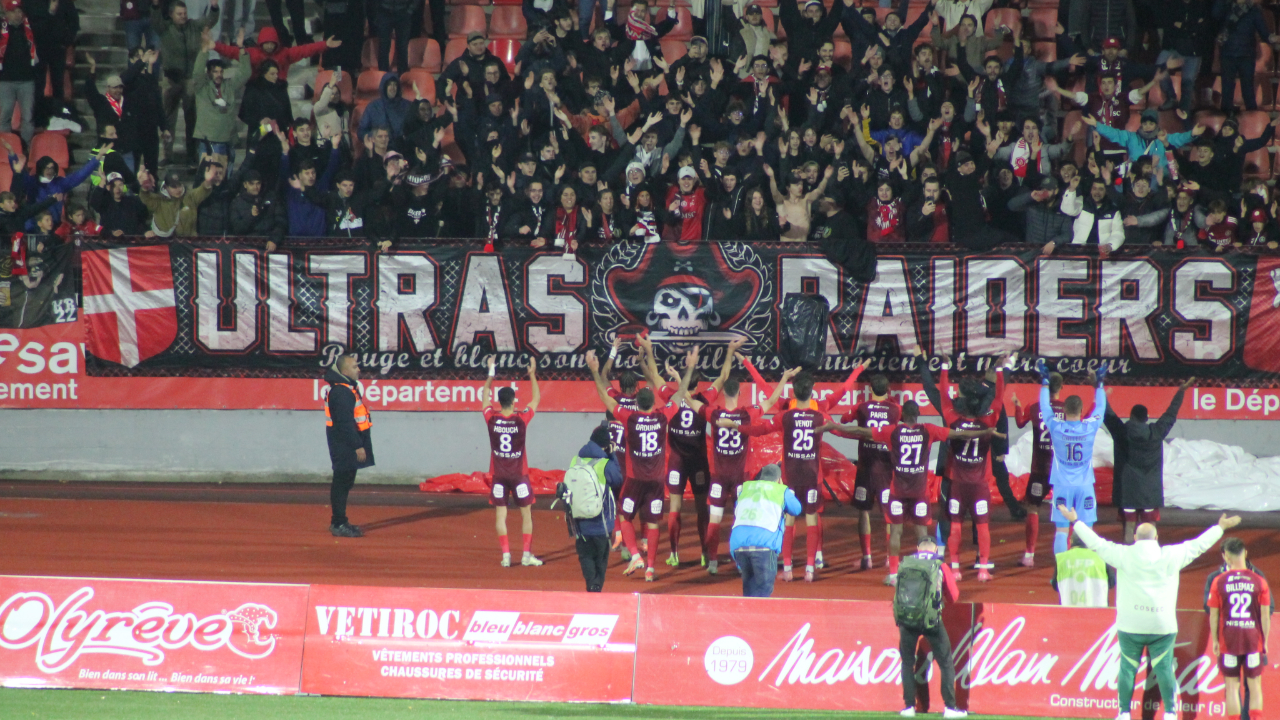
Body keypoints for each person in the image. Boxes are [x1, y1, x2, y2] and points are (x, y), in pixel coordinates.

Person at [1061, 505, 1241, 720]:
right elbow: (1198, 545)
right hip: (1161, 624)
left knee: (1127, 668)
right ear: (1157, 536)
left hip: (1131, 624)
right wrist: (1219, 527)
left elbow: (1096, 543)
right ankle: (1171, 713)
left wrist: (1076, 521)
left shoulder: (1123, 554)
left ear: (1135, 537)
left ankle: (1124, 713)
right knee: (1164, 667)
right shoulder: (1172, 555)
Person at [826, 400, 993, 586]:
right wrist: (985, 431)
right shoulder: (928, 430)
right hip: (919, 491)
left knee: (896, 531)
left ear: (902, 416)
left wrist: (834, 426)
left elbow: (861, 432)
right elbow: (959, 434)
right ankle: (927, 573)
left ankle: (893, 574)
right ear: (918, 414)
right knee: (922, 532)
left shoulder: (893, 431)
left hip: (898, 491)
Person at [720, 369, 829, 583]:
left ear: (793, 394)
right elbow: (841, 429)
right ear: (812, 392)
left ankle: (787, 568)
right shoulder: (820, 417)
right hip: (812, 476)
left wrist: (735, 426)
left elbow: (760, 430)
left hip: (790, 477)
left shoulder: (785, 416)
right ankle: (809, 568)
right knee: (811, 520)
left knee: (788, 520)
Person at [585, 338, 672, 582]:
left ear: (622, 388)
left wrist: (612, 351)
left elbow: (603, 379)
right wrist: (647, 357)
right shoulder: (640, 408)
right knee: (646, 505)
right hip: (638, 464)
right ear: (637, 389)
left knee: (620, 505)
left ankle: (623, 544)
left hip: (616, 461)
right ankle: (644, 542)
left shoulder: (616, 402)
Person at [1106, 376, 1194, 543]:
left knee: (1128, 530)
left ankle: (1128, 561)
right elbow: (1171, 414)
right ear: (1147, 418)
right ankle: (1151, 558)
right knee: (1150, 529)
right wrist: (1181, 392)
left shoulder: (1121, 432)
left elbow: (1107, 415)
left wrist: (1100, 394)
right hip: (1149, 492)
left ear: (1131, 416)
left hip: (1127, 491)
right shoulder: (1156, 433)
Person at [1037, 358, 1107, 556]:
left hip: (1062, 484)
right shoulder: (1089, 426)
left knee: (1061, 530)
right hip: (1084, 485)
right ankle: (1085, 565)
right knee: (1087, 530)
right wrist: (1099, 385)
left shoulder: (1056, 426)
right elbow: (1100, 409)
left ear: (1064, 410)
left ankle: (1062, 569)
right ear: (1081, 410)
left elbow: (1045, 407)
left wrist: (1044, 383)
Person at [480, 356, 543, 567]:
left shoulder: (491, 418)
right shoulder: (521, 419)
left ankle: (506, 556)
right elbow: (536, 399)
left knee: (501, 514)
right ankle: (526, 555)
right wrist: (532, 374)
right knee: (526, 514)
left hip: (499, 476)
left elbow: (483, 398)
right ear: (514, 401)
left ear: (499, 402)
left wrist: (490, 373)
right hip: (519, 476)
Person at [893, 536, 965, 719]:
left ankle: (909, 707)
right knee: (946, 663)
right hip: (931, 621)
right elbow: (954, 597)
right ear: (934, 550)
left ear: (918, 548)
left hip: (907, 619)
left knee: (907, 662)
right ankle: (949, 708)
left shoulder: (906, 563)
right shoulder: (940, 565)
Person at [1207, 537, 1272, 720]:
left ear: (1226, 556)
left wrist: (1215, 641)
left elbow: (1213, 615)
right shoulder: (1259, 581)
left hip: (1229, 642)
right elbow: (1265, 616)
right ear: (1245, 553)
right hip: (1253, 641)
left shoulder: (1218, 581)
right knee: (1255, 685)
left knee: (1232, 686)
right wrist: (1264, 641)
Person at [153, 0, 221, 165]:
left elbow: (209, 21)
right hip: (171, 79)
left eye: (184, 13)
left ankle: (192, 155)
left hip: (190, 78)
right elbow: (155, 20)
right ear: (171, 15)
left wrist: (213, 7)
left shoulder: (193, 26)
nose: (183, 16)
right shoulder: (165, 28)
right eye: (179, 14)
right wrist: (155, 6)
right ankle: (167, 155)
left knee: (192, 117)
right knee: (168, 119)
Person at [559, 423, 623, 592]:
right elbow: (618, 480)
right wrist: (613, 454)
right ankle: (596, 588)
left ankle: (591, 584)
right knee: (601, 559)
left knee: (585, 556)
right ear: (606, 445)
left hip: (579, 523)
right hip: (601, 523)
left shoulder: (576, 459)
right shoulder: (604, 464)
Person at [1010, 371, 1065, 567]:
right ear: (1061, 388)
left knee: (1033, 508)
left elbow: (1019, 423)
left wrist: (1017, 405)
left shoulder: (1034, 407)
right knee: (1065, 510)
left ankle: (1029, 555)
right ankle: (1064, 556)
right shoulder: (1068, 409)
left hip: (1039, 468)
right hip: (1061, 470)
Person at [729, 464, 801, 598]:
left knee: (749, 590)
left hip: (738, 546)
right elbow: (796, 509)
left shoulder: (746, 487)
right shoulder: (781, 490)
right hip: (764, 548)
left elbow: (737, 507)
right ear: (778, 479)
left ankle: (747, 617)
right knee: (763, 591)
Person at [324, 352, 374, 538]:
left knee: (344, 482)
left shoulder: (345, 389)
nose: (358, 369)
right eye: (354, 367)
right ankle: (338, 522)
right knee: (342, 483)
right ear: (344, 370)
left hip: (343, 443)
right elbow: (344, 422)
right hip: (343, 445)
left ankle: (340, 521)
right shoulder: (341, 392)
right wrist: (357, 445)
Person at [0, 0, 37, 143]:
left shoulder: (30, 28)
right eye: (13, 11)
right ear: (6, 13)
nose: (17, 15)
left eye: (19, 11)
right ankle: (6, 149)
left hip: (27, 80)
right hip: (5, 81)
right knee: (4, 116)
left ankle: (26, 149)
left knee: (28, 117)